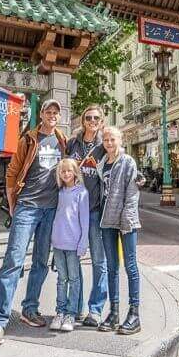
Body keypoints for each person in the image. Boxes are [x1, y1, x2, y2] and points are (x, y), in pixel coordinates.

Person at [0, 99, 67, 347]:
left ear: (59, 116)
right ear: (40, 114)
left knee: (41, 262)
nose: (52, 115)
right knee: (13, 261)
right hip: (28, 206)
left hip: (51, 209)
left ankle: (30, 308)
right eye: (48, 111)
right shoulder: (29, 139)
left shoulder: (63, 141)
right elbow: (12, 172)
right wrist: (13, 205)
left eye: (55, 112)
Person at [66, 105, 108, 327]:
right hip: (73, 213)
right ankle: (76, 308)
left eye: (97, 118)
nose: (93, 120)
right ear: (83, 120)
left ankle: (96, 310)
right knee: (75, 261)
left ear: (102, 121)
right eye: (89, 117)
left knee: (99, 261)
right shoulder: (72, 143)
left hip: (94, 211)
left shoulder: (105, 145)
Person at [97, 126, 142, 335]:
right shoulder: (101, 163)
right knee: (112, 267)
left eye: (112, 139)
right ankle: (113, 312)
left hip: (125, 222)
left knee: (130, 266)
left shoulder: (128, 162)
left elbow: (132, 195)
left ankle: (134, 314)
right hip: (106, 221)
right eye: (105, 139)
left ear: (120, 140)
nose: (109, 143)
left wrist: (127, 222)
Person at [50, 158, 89, 333]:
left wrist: (83, 243)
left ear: (75, 172)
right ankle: (60, 312)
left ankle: (71, 314)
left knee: (74, 280)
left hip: (74, 244)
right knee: (61, 279)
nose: (66, 174)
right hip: (58, 243)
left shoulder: (81, 193)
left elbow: (85, 221)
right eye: (63, 171)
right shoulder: (59, 193)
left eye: (69, 171)